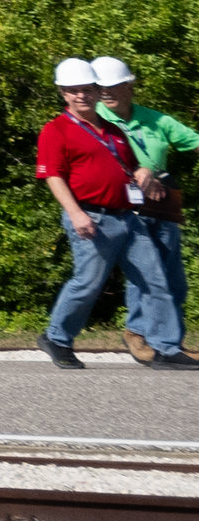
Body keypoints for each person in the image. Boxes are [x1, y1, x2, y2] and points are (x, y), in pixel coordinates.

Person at [35, 59, 182, 369]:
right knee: (88, 284)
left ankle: (165, 348)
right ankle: (57, 338)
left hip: (128, 217)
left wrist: (143, 171)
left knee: (155, 280)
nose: (81, 96)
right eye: (74, 91)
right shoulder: (56, 129)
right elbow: (53, 176)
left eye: (87, 89)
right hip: (92, 217)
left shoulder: (113, 130)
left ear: (96, 91)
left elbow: (129, 168)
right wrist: (76, 214)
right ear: (63, 93)